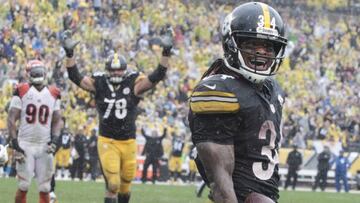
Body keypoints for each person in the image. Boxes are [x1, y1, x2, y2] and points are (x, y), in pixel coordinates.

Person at [188, 2, 287, 203]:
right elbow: (220, 181)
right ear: (232, 44)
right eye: (252, 44)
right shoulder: (218, 90)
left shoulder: (272, 88)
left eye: (268, 46)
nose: (261, 52)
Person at [60, 26, 173, 203]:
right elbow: (75, 76)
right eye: (112, 70)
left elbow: (157, 75)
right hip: (108, 141)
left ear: (125, 70)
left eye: (119, 70)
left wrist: (166, 51)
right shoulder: (99, 83)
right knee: (113, 183)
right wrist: (69, 54)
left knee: (126, 184)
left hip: (129, 141)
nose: (115, 73)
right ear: (107, 71)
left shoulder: (133, 83)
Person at [7, 59, 62, 203]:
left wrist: (55, 139)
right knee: (24, 185)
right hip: (25, 143)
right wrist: (15, 143)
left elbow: (57, 120)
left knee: (45, 187)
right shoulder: (21, 90)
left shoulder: (54, 93)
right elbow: (11, 119)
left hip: (44, 144)